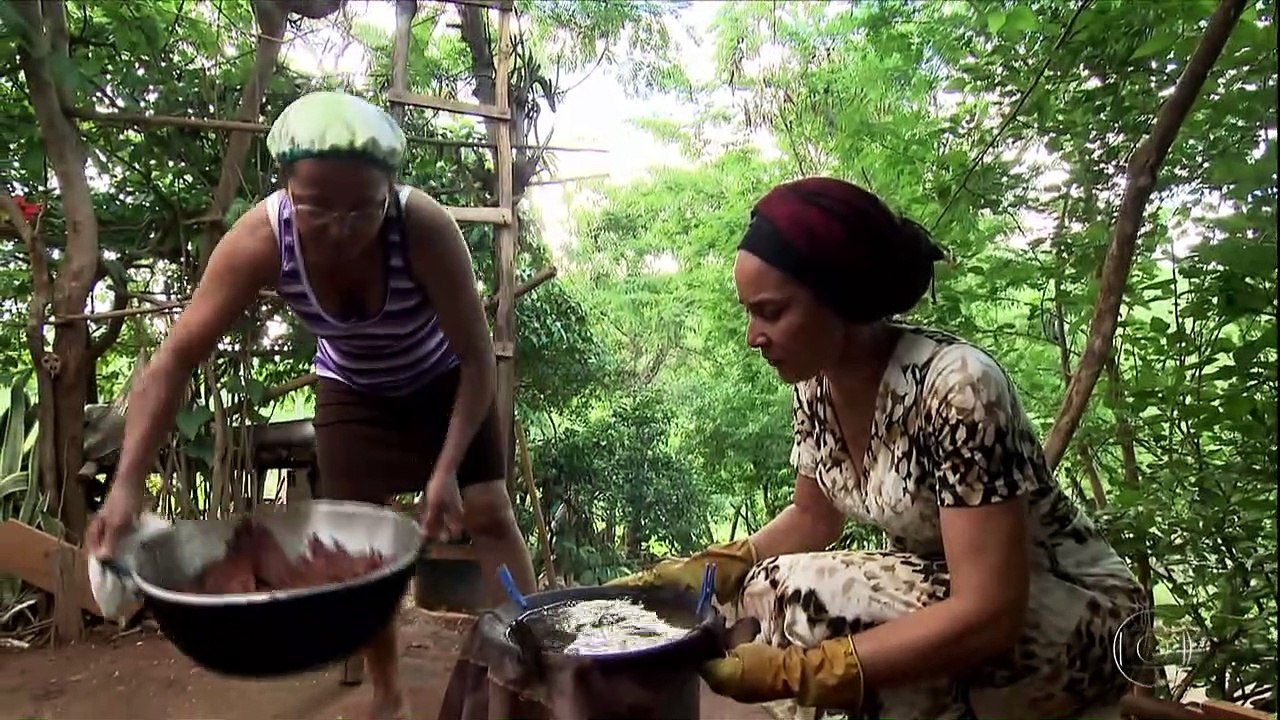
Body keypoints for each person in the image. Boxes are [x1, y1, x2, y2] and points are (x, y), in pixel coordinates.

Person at [612, 177, 1148, 718]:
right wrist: (713, 567)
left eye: (771, 312)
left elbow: (991, 609)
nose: (753, 335)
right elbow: (812, 517)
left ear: (840, 297)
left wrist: (806, 671)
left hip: (1079, 619)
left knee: (800, 595)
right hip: (960, 604)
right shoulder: (815, 386)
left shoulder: (958, 389)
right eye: (750, 313)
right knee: (755, 586)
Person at [86, 91, 538, 719]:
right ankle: (390, 697)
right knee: (363, 544)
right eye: (317, 208)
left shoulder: (424, 228)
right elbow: (172, 360)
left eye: (365, 209)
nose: (341, 228)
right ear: (286, 191)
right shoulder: (260, 239)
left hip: (445, 381)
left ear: (389, 194)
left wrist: (446, 469)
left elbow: (477, 358)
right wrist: (127, 486)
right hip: (353, 389)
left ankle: (528, 675)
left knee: (488, 511)